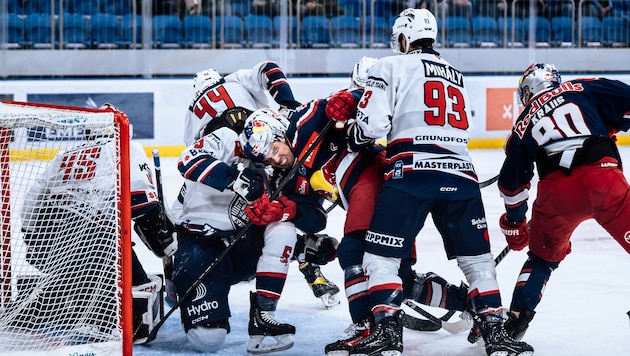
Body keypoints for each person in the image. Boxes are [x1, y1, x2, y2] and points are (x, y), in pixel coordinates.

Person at [342, 8, 534, 356]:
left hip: (412, 172)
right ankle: (495, 333)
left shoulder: (388, 65)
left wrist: (352, 131)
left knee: (380, 258)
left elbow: (371, 127)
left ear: (403, 38)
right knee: (478, 261)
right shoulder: (456, 73)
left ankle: (387, 333)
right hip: (461, 174)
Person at [171, 105, 327, 353]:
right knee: (208, 340)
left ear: (282, 133)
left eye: (274, 151)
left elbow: (314, 217)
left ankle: (263, 315)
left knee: (283, 226)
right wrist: (235, 180)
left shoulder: (280, 172)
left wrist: (292, 217)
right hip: (201, 241)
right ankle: (175, 273)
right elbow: (188, 161)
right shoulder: (226, 138)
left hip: (240, 245)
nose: (275, 159)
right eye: (268, 157)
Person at [19, 103, 176, 344]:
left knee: (102, 238)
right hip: (92, 238)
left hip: (50, 239)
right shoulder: (126, 148)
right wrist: (163, 240)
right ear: (120, 129)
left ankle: (49, 300)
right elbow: (142, 203)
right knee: (133, 271)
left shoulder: (65, 155)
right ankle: (102, 319)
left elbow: (31, 201)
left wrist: (32, 241)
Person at [497, 63, 630, 343]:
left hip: (556, 195)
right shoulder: (581, 87)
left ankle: (514, 326)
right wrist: (608, 126)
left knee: (541, 261)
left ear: (528, 91)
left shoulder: (521, 125)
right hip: (603, 180)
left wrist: (515, 224)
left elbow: (513, 184)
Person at [183, 61, 301, 147]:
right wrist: (288, 104)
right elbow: (269, 68)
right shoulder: (233, 79)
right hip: (263, 136)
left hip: (227, 156)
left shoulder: (191, 112)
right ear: (218, 78)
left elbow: (192, 151)